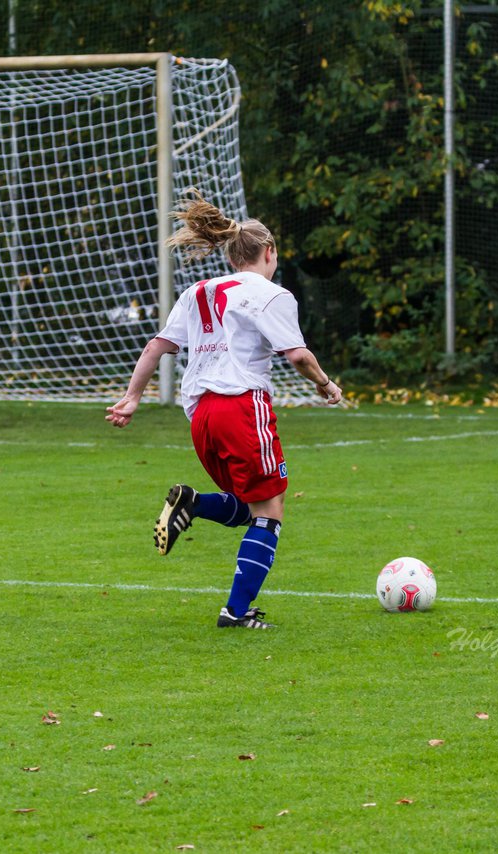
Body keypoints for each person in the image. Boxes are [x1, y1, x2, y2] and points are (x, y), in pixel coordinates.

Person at [106, 190, 343, 629]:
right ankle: (236, 612)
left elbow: (157, 346)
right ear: (268, 252)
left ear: (233, 254)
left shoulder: (199, 290)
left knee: (246, 504)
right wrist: (327, 384)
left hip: (201, 417)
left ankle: (193, 504)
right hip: (241, 407)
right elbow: (297, 356)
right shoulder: (271, 293)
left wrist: (133, 396)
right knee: (270, 509)